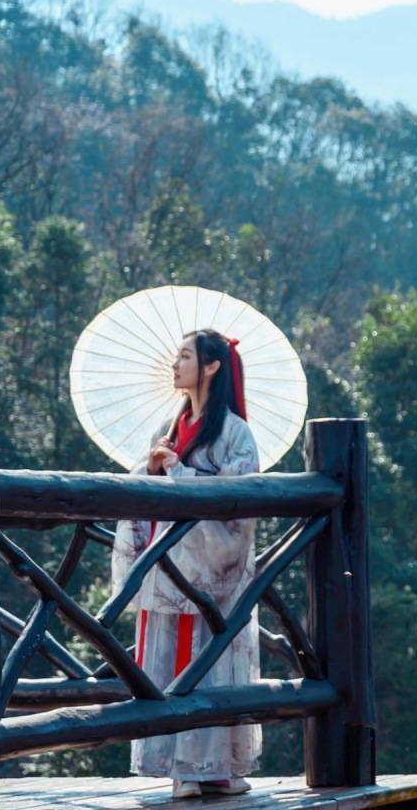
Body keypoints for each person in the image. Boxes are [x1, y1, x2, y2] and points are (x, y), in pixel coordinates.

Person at [110, 327, 263, 798]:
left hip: (211, 566)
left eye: (184, 356)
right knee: (169, 658)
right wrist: (153, 469)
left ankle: (217, 766)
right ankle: (183, 768)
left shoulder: (236, 433)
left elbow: (240, 493)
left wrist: (178, 472)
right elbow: (144, 477)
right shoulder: (170, 425)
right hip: (167, 563)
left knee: (211, 657)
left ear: (212, 366)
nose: (176, 365)